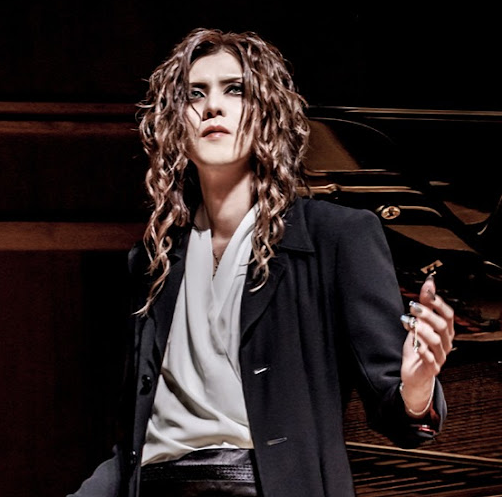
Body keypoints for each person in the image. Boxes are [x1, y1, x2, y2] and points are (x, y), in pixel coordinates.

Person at [68, 28, 455, 497]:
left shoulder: (337, 237)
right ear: (174, 123)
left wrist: (417, 385)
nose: (212, 107)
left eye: (235, 90)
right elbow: (134, 439)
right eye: (194, 94)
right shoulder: (153, 261)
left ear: (268, 113)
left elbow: (401, 418)